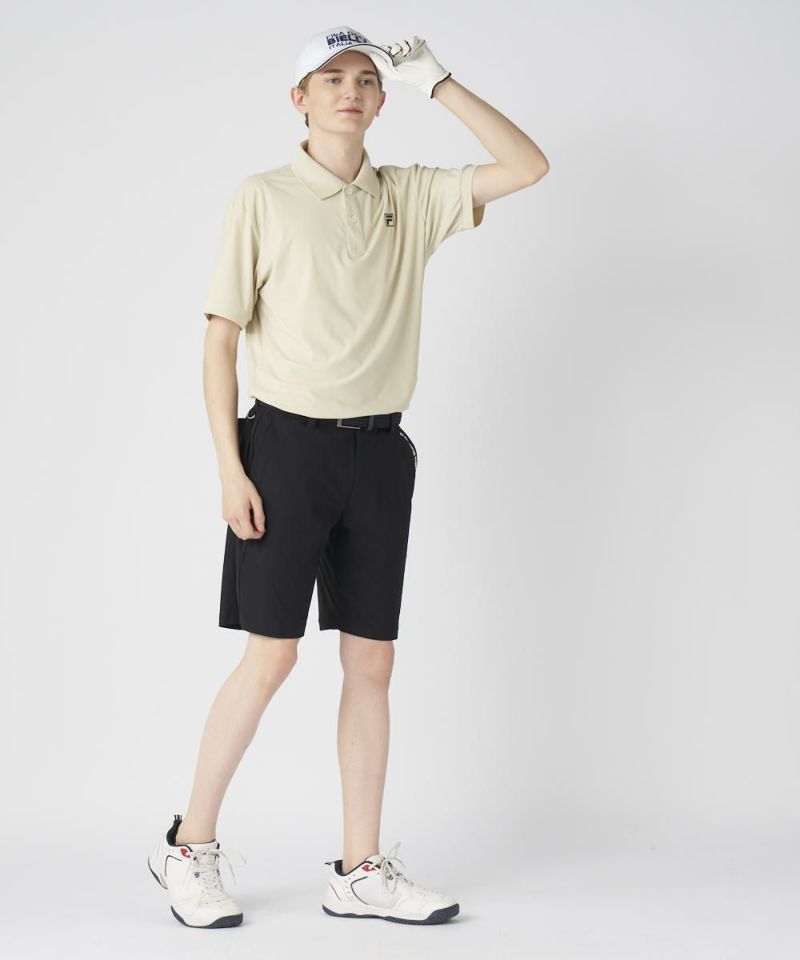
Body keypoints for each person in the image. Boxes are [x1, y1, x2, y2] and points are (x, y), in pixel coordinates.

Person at [148, 25, 549, 928]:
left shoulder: (409, 194)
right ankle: (188, 847)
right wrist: (229, 467)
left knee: (373, 660)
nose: (351, 90)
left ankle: (360, 869)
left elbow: (528, 166)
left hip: (381, 453)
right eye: (330, 78)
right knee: (271, 656)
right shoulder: (261, 197)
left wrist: (440, 83)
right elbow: (219, 339)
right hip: (284, 450)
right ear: (299, 99)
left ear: (382, 99)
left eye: (367, 78)